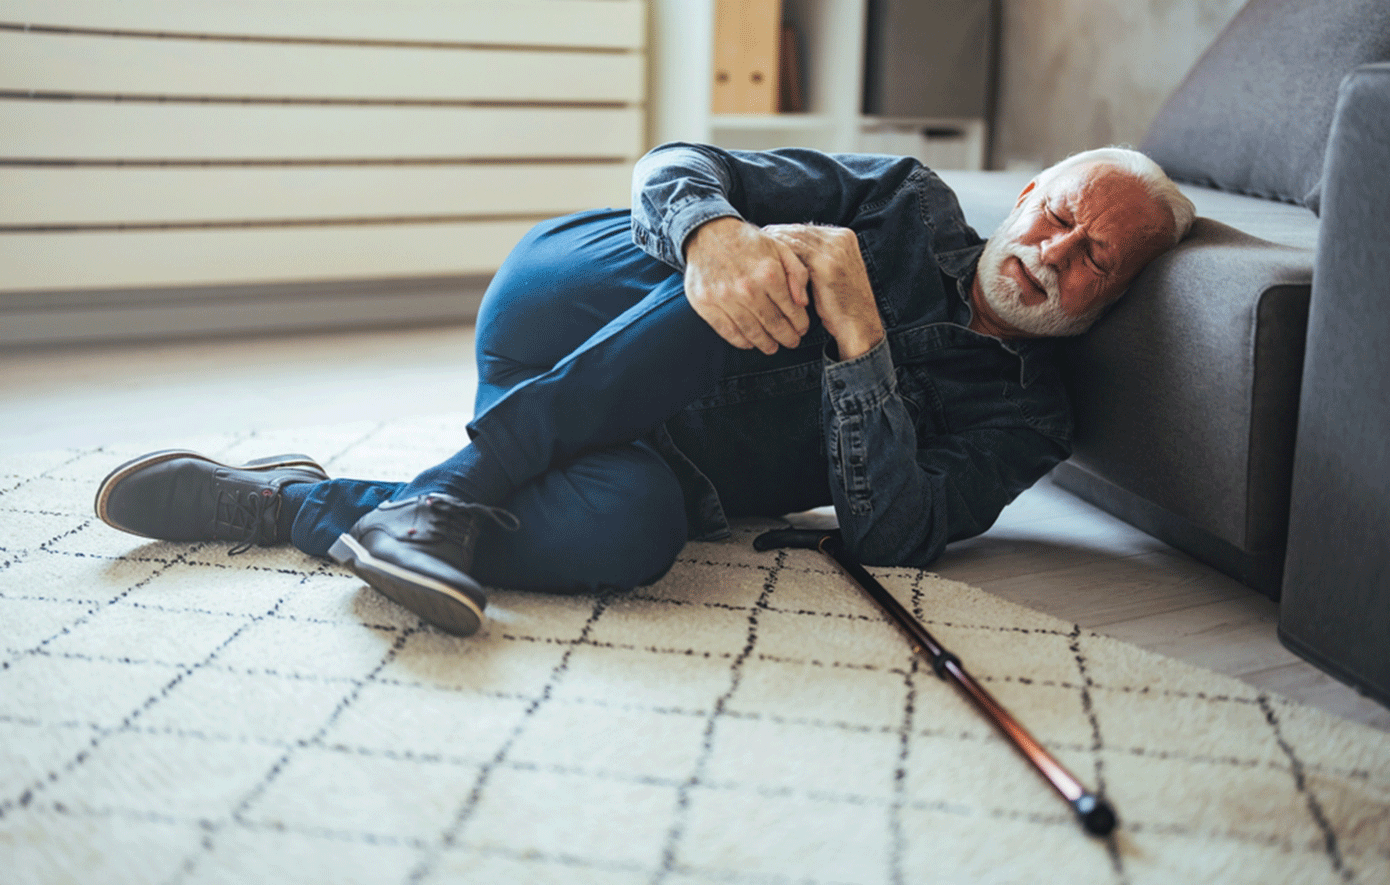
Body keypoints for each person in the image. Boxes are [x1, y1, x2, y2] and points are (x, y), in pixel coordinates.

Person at [93, 142, 1195, 637]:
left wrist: (862, 342)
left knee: (634, 538)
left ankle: (291, 503)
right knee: (781, 271)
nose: (1054, 253)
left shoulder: (1030, 419)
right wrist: (719, 240)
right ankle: (455, 486)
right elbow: (675, 165)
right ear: (1030, 193)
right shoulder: (905, 200)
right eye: (1060, 215)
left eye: (1095, 258)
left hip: (640, 456)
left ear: (1115, 298)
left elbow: (894, 539)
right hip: (572, 302)